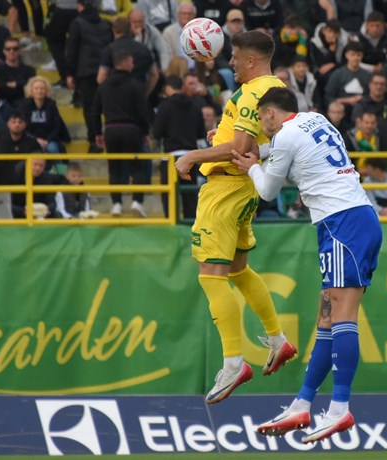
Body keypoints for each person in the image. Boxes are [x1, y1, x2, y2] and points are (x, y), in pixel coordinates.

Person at [230, 86, 382, 443]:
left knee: (343, 315)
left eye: (261, 118)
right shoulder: (315, 119)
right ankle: (303, 403)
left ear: (270, 112)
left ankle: (340, 408)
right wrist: (260, 153)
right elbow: (286, 152)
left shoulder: (284, 135)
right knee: (327, 317)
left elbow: (267, 190)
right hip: (353, 219)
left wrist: (253, 166)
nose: (261, 126)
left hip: (342, 224)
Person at [173, 31, 297, 404]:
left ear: (249, 60)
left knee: (211, 277)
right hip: (243, 187)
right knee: (239, 270)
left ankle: (233, 363)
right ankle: (277, 339)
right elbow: (253, 139)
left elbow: (241, 148)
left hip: (225, 189)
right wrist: (220, 137)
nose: (229, 63)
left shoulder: (252, 91)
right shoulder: (275, 88)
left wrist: (195, 156)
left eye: (234, 57)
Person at [92, 52, 150, 217]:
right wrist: (145, 132)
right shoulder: (135, 84)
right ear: (124, 63)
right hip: (132, 129)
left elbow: (94, 111)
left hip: (110, 129)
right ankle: (137, 202)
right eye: (131, 62)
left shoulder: (104, 85)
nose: (133, 65)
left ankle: (116, 204)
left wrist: (98, 133)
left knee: (114, 168)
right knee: (136, 167)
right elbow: (142, 111)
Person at [152, 75, 206, 218]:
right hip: (190, 158)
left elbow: (156, 133)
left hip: (171, 159)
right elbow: (201, 133)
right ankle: (190, 229)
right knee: (190, 196)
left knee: (169, 197)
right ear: (182, 87)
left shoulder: (164, 107)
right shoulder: (195, 106)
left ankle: (172, 229)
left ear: (168, 88)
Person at [65, 0, 113, 153]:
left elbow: (71, 51)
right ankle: (109, 141)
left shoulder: (77, 23)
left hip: (85, 72)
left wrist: (70, 73)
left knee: (91, 109)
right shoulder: (106, 24)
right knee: (107, 107)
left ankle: (94, 141)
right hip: (106, 72)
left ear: (80, 6)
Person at [352, 73, 387, 150]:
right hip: (367, 146)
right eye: (376, 83)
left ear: (386, 87)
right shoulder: (361, 104)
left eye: (382, 84)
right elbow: (358, 124)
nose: (379, 87)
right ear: (370, 85)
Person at [21, 76, 67, 154]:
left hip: (49, 140)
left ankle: (58, 166)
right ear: (31, 90)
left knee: (52, 148)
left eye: (42, 88)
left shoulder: (52, 105)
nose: (39, 91)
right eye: (36, 88)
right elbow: (24, 127)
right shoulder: (25, 106)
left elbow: (56, 126)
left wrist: (47, 140)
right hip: (30, 139)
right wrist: (36, 139)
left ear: (46, 91)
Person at [0, 37, 36, 105]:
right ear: (4, 51)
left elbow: (30, 89)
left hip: (24, 105)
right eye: (8, 49)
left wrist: (14, 84)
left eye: (15, 49)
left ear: (19, 51)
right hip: (3, 105)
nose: (12, 51)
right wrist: (20, 85)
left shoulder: (29, 70)